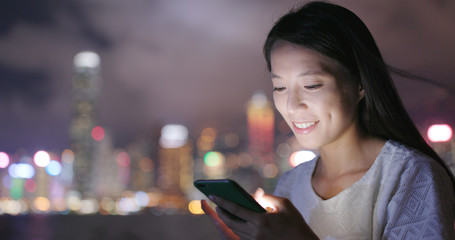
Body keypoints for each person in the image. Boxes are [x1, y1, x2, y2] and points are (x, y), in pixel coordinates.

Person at [201, 1, 455, 239]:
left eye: (311, 85)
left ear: (359, 84)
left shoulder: (410, 175)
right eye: (279, 88)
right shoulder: (291, 184)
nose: (292, 106)